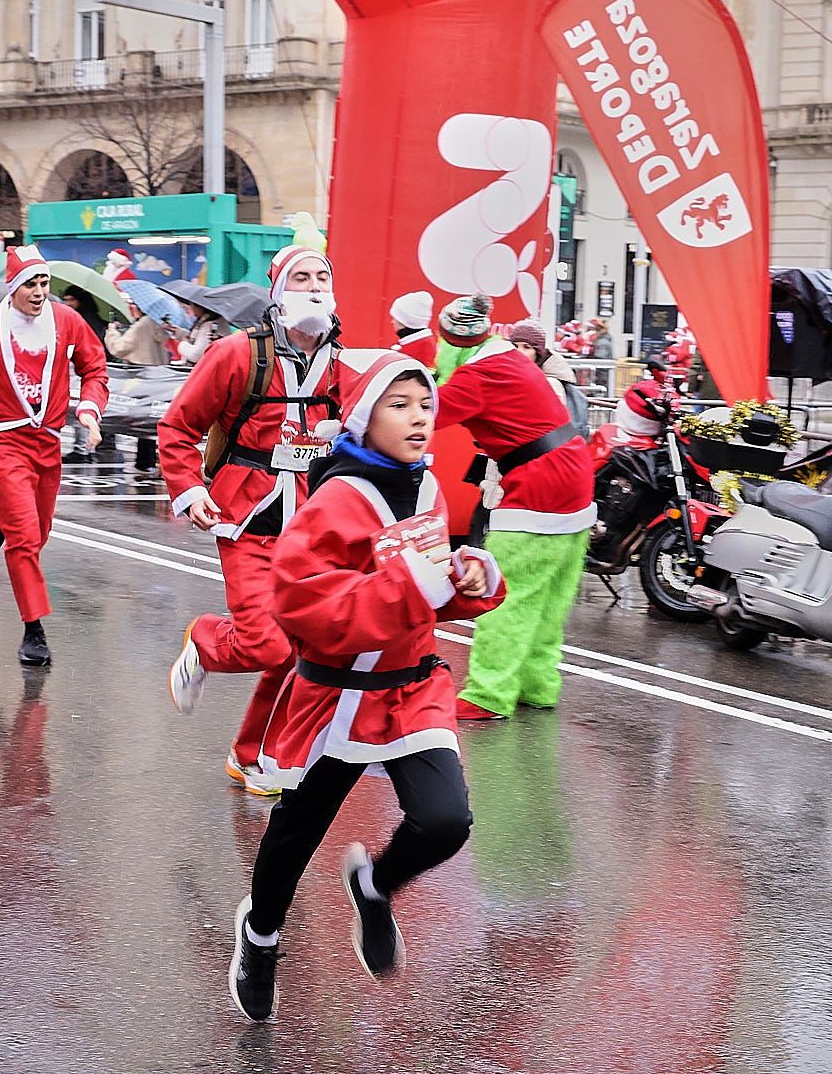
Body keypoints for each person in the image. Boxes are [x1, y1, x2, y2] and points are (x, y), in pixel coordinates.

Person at [227, 348, 505, 1022]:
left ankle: (374, 885)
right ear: (361, 416)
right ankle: (259, 935)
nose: (418, 418)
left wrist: (469, 577)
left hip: (411, 687)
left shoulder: (431, 487)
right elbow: (302, 606)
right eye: (399, 404)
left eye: (425, 405)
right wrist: (407, 583)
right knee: (292, 840)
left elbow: (431, 592)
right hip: (336, 697)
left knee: (446, 822)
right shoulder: (336, 499)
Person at [160, 241, 344, 795]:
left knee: (300, 650)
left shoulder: (341, 361)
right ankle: (207, 637)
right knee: (266, 645)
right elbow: (178, 427)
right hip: (246, 516)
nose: (313, 287)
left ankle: (253, 756)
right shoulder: (239, 354)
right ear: (278, 293)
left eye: (321, 277)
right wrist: (189, 490)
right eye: (301, 278)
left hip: (310, 526)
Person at [0, 244, 110, 666]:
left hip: (48, 443)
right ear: (12, 288)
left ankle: (0, 511)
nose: (37, 291)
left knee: (39, 532)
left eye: (44, 283)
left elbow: (95, 367)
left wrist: (88, 410)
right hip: (3, 441)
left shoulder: (66, 320)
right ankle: (33, 629)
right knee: (25, 539)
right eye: (29, 283)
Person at [431, 295, 597, 721]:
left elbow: (424, 413)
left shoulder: (479, 373)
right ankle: (538, 684)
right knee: (549, 597)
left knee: (505, 590)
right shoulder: (513, 360)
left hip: (538, 483)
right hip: (574, 475)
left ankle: (489, 692)